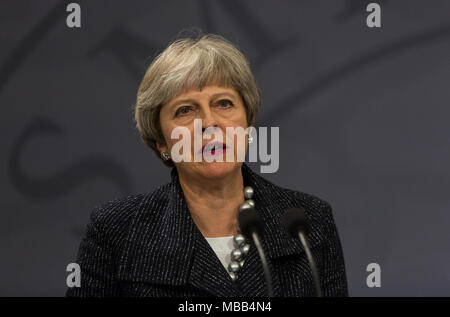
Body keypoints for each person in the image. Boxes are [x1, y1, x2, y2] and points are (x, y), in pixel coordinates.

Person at [66, 33, 348, 297]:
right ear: (161, 142)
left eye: (223, 103)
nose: (210, 124)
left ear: (247, 123)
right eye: (185, 110)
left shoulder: (308, 222)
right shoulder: (117, 231)